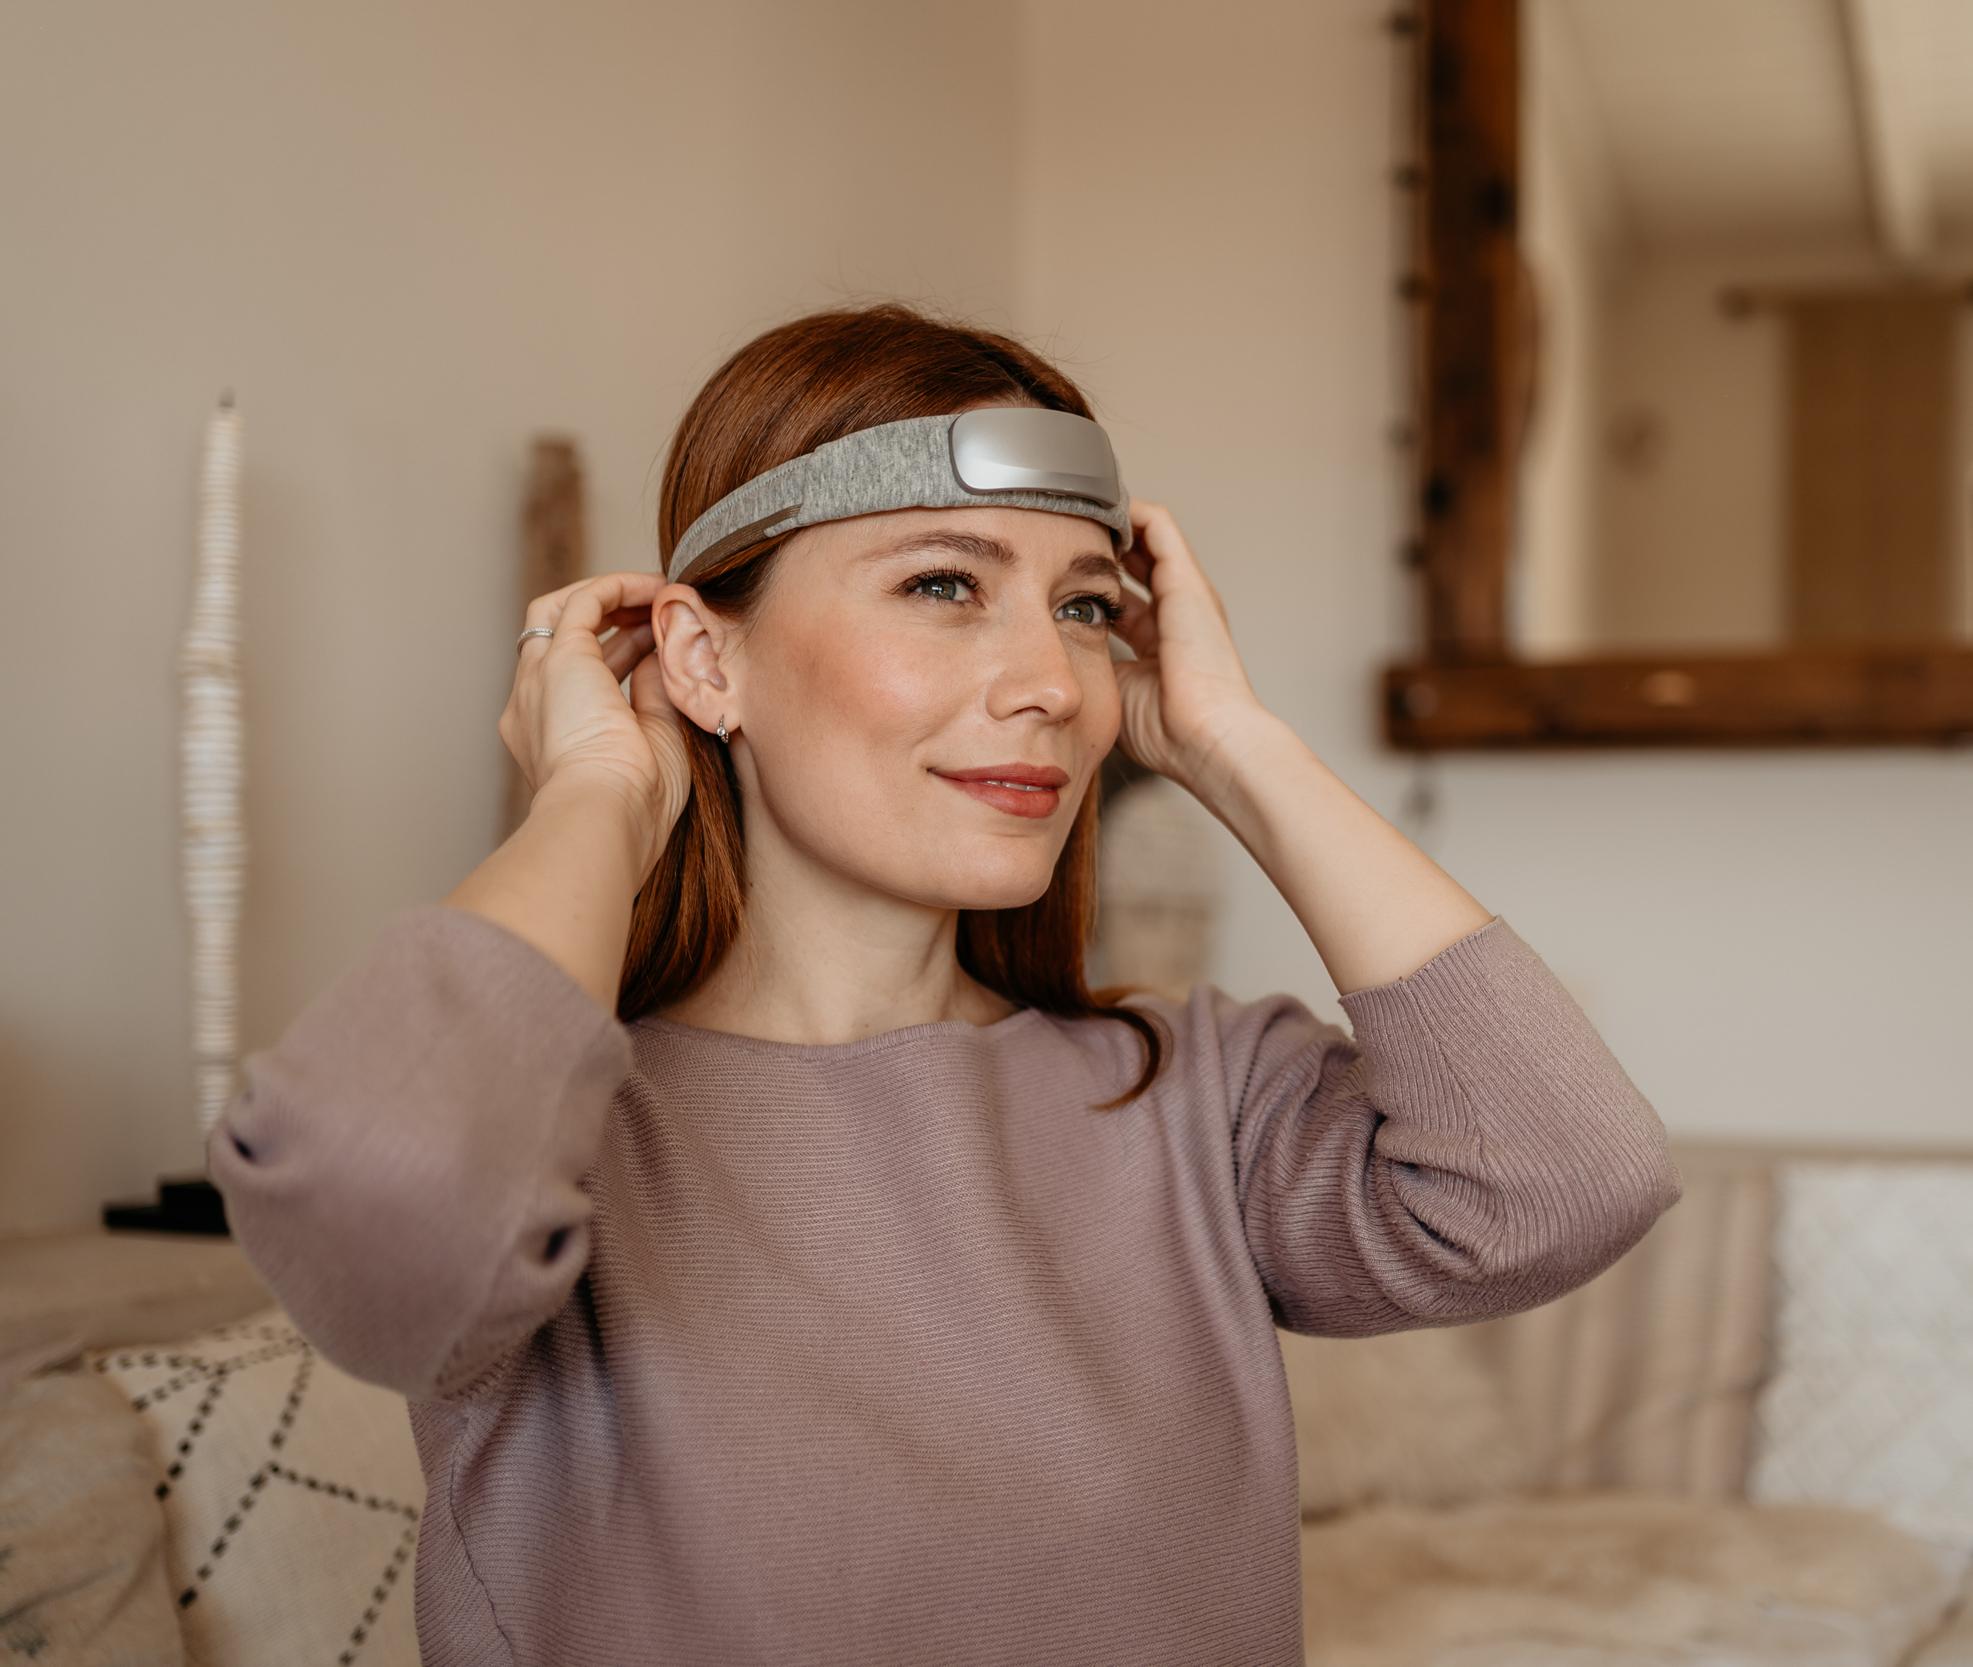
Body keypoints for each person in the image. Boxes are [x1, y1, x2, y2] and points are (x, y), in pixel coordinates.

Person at [211, 305, 1678, 1665]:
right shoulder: (555, 1134)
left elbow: (1565, 1183)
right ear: (705, 660)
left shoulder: (1193, 1095)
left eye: (1087, 609)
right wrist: (601, 787)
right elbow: (379, 1193)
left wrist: (1235, 746)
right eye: (942, 584)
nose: (1053, 681)